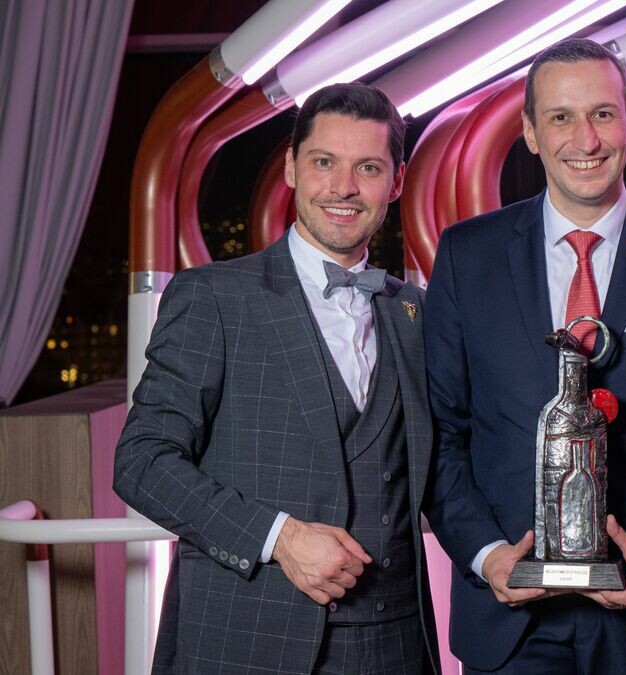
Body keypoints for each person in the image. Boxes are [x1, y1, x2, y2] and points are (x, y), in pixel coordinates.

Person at [423, 38, 626, 674]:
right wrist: (485, 556)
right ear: (530, 132)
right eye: (561, 117)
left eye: (602, 114)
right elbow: (439, 434)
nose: (585, 140)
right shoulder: (466, 254)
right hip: (509, 621)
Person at [113, 83, 438, 674]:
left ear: (395, 182)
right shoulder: (214, 297)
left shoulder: (415, 312)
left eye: (367, 168)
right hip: (249, 639)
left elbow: (445, 466)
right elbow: (141, 461)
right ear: (291, 167)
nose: (343, 187)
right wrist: (280, 537)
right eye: (324, 162)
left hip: (395, 643)